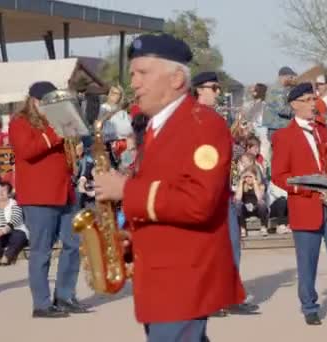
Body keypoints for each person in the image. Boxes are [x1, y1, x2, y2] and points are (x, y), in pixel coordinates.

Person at [93, 33, 245, 342]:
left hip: (185, 278)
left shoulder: (203, 124)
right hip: (163, 277)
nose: (133, 82)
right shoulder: (155, 128)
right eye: (133, 73)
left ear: (177, 78)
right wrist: (129, 239)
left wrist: (126, 191)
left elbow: (199, 202)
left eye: (143, 73)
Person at [272, 83, 327, 326]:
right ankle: (309, 306)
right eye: (309, 99)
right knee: (307, 261)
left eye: (314, 98)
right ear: (295, 104)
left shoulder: (325, 130)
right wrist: (307, 188)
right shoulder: (283, 136)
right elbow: (278, 175)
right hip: (305, 206)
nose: (314, 103)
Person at [8, 81, 88, 318]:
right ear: (34, 101)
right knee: (41, 251)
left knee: (73, 245)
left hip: (64, 191)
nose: (54, 106)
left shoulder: (56, 121)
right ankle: (41, 304)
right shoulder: (19, 122)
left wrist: (76, 146)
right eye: (48, 102)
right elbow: (27, 151)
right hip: (38, 195)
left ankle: (64, 296)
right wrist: (57, 132)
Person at [192, 70, 259, 316]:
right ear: (199, 89)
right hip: (204, 192)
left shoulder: (217, 119)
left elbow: (232, 153)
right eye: (214, 88)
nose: (219, 93)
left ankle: (229, 296)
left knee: (232, 245)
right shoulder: (193, 118)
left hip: (225, 192)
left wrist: (240, 143)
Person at [0, 182, 28, 266]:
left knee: (20, 235)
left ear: (10, 193)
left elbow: (15, 219)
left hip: (13, 230)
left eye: (4, 190)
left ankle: (7, 257)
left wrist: (3, 231)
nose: (1, 192)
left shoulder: (15, 204)